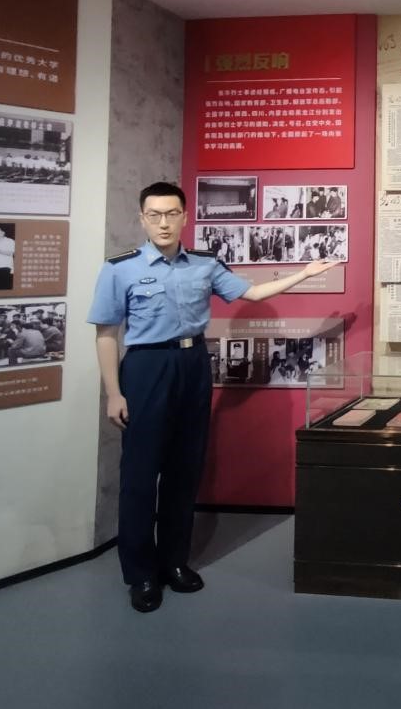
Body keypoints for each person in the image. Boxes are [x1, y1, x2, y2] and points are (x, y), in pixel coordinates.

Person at [88, 181, 338, 614]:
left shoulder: (204, 264)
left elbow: (251, 293)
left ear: (185, 217)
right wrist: (113, 392)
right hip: (146, 367)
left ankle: (174, 562)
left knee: (185, 470)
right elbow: (107, 334)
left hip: (193, 365)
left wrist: (302, 274)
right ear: (142, 218)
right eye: (154, 215)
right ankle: (141, 573)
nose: (163, 223)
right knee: (140, 476)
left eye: (171, 214)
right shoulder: (119, 268)